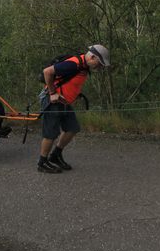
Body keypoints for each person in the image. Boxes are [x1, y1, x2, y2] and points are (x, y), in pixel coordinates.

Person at [37, 44, 110, 174]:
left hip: (64, 102)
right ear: (92, 57)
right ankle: (42, 163)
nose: (99, 67)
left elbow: (72, 81)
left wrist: (74, 95)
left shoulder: (83, 66)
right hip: (52, 101)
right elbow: (47, 72)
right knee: (51, 133)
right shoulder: (74, 64)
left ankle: (55, 155)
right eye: (99, 64)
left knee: (72, 128)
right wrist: (52, 93)